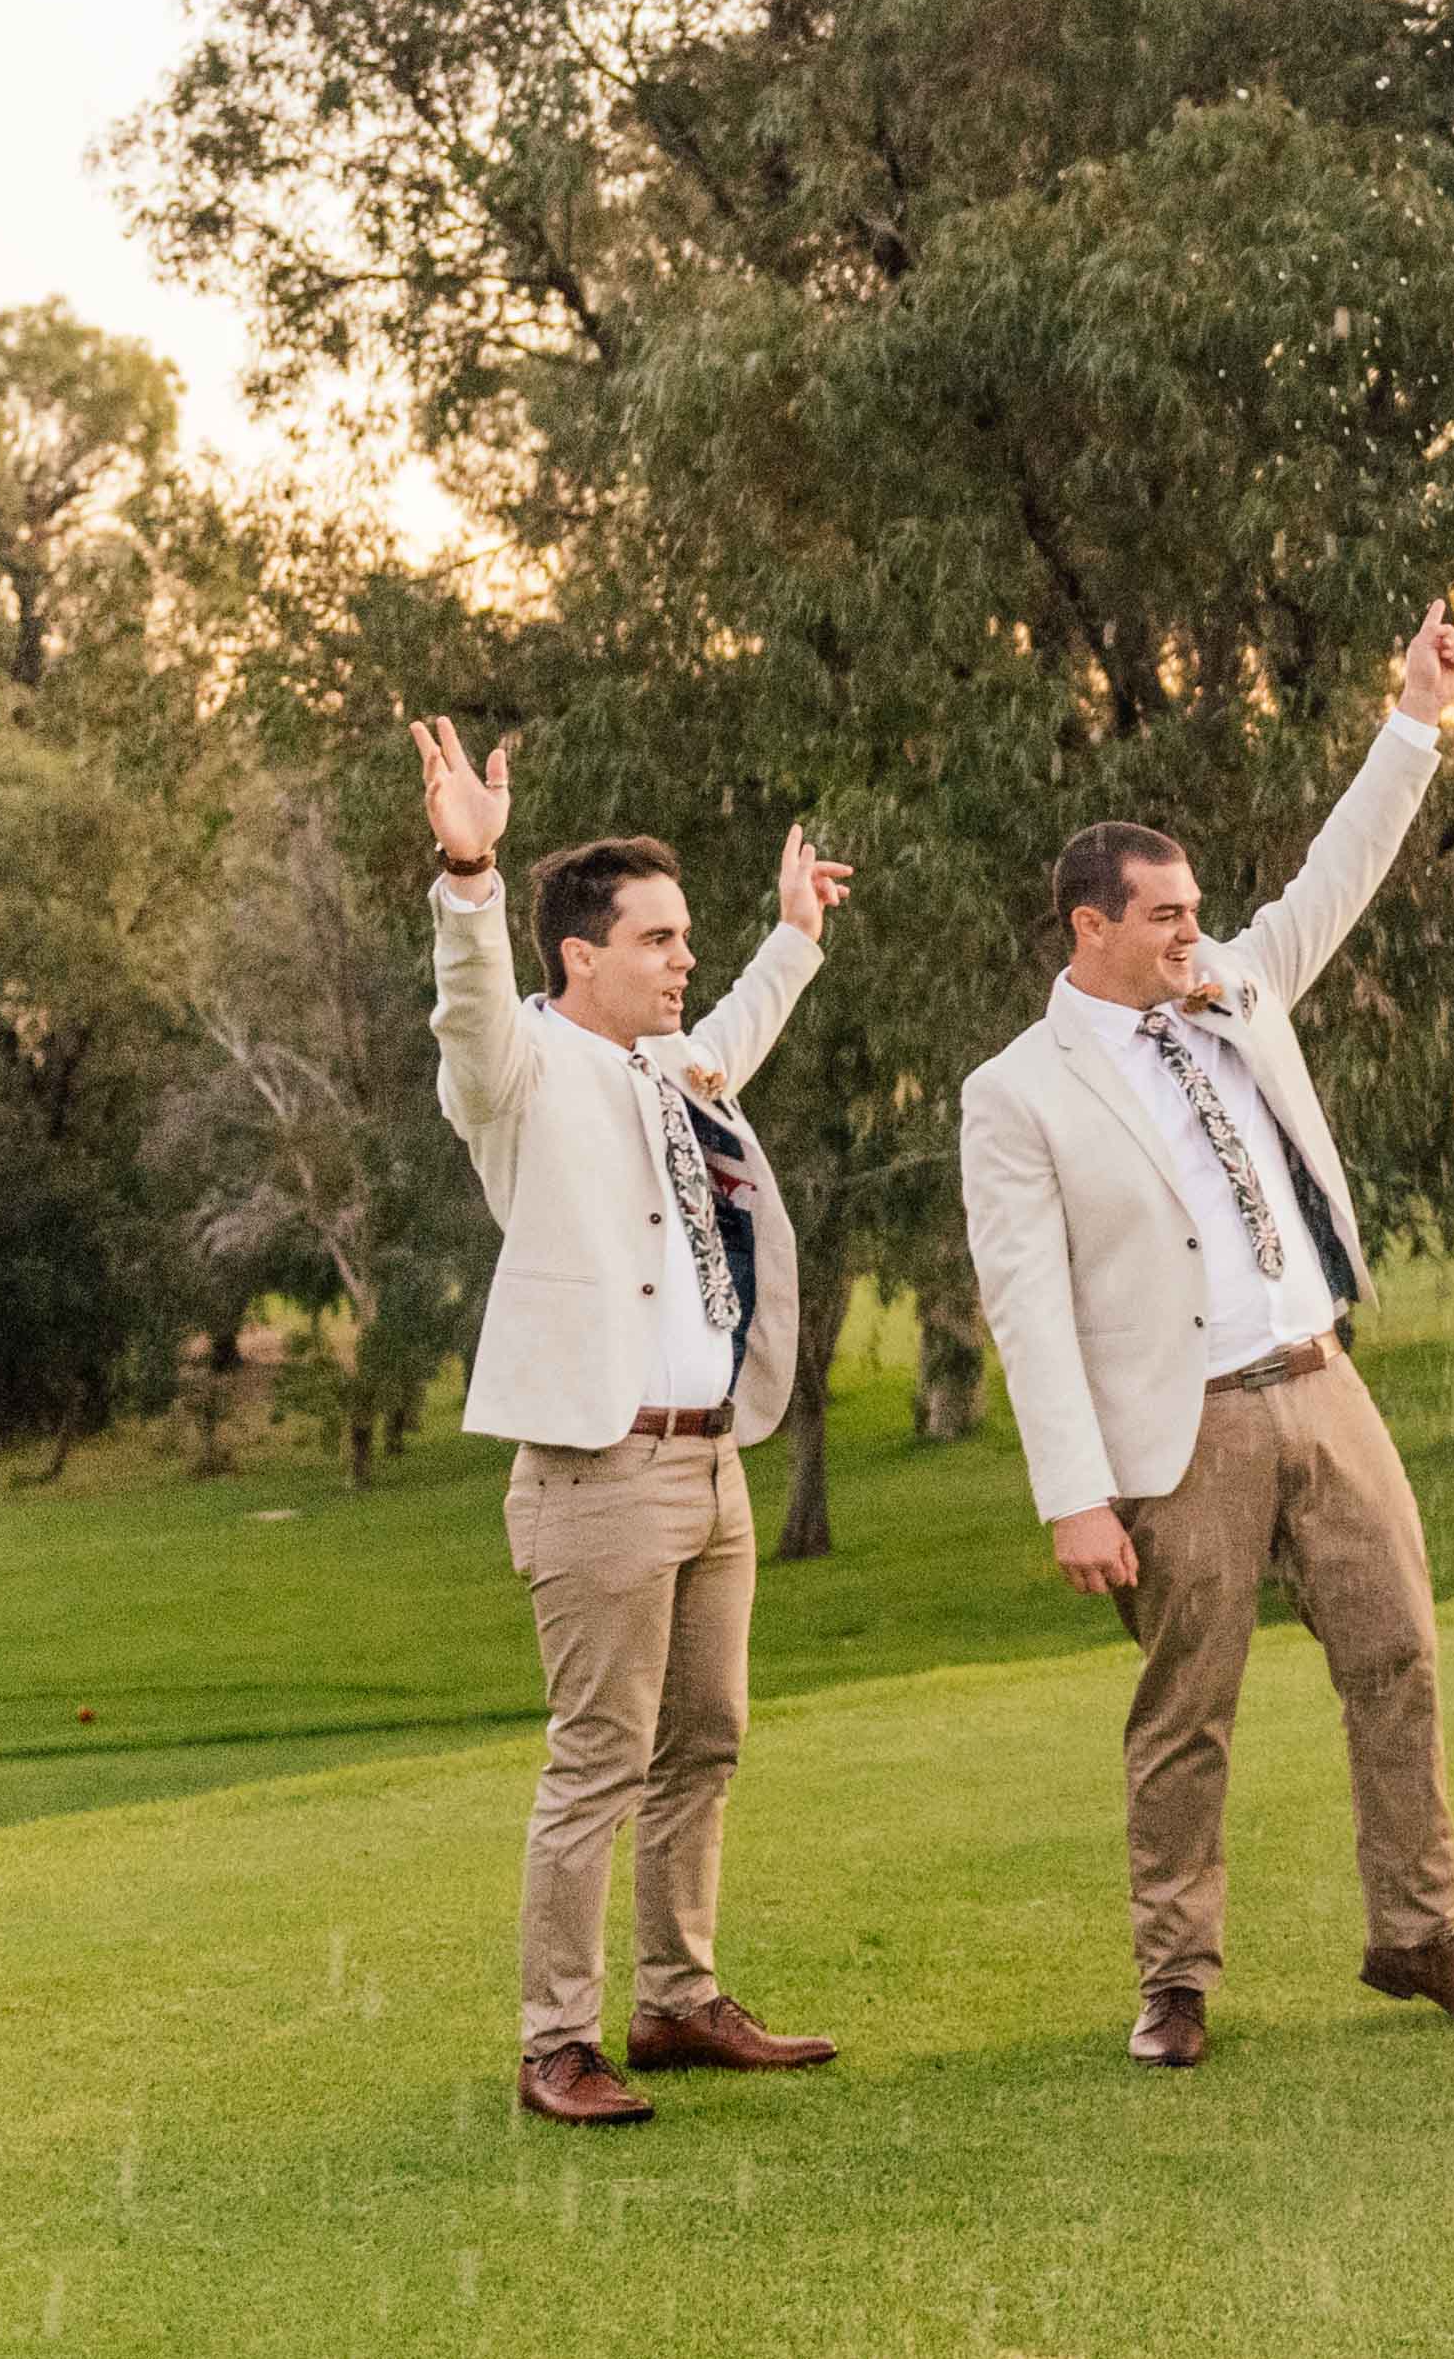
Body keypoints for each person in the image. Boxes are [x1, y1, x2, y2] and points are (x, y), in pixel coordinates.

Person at [952, 603, 1454, 2071]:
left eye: (1196, 911)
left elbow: (1339, 871)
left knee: (1399, 1658)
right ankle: (1175, 1981)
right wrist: (1074, 1495)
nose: (1193, 932)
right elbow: (1025, 1307)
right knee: (1188, 1711)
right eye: (1165, 915)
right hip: (1186, 1427)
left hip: (1323, 1382)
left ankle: (1422, 1934)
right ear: (1091, 926)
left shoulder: (1235, 990)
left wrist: (1414, 717)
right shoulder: (1016, 1092)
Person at [411, 717, 857, 2127]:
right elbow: (468, 1015)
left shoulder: (667, 1072)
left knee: (703, 1745)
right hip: (596, 1471)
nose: (682, 962)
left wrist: (793, 940)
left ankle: (676, 2002)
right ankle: (557, 2040)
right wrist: (468, 875)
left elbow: (730, 1041)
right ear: (577, 956)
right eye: (658, 940)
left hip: (711, 1463)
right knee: (599, 1758)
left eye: (686, 940)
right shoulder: (517, 1071)